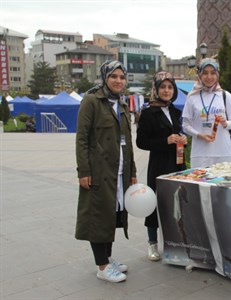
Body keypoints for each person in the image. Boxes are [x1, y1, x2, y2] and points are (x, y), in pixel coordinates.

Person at [75, 60, 138, 283]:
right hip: (98, 171)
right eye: (114, 76)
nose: (118, 81)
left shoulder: (121, 105)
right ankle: (101, 267)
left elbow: (127, 143)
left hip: (119, 171)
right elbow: (81, 138)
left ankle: (108, 258)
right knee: (99, 216)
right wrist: (83, 171)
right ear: (105, 78)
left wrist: (132, 171)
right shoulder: (91, 101)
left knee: (113, 215)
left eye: (122, 77)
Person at [136, 71, 187, 261]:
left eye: (170, 87)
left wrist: (182, 140)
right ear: (156, 89)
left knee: (176, 203)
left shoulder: (175, 111)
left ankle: (174, 241)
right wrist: (165, 140)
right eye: (163, 87)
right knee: (154, 204)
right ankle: (152, 244)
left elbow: (178, 134)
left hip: (176, 163)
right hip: (158, 165)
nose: (166, 90)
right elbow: (141, 142)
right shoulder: (148, 112)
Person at [182, 57, 231, 168]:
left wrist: (225, 123)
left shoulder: (226, 96)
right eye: (205, 73)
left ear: (217, 75)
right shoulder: (192, 97)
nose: (209, 77)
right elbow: (185, 125)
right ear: (199, 75)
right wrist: (199, 135)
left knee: (222, 184)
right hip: (200, 153)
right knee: (200, 184)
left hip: (223, 152)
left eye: (213, 73)